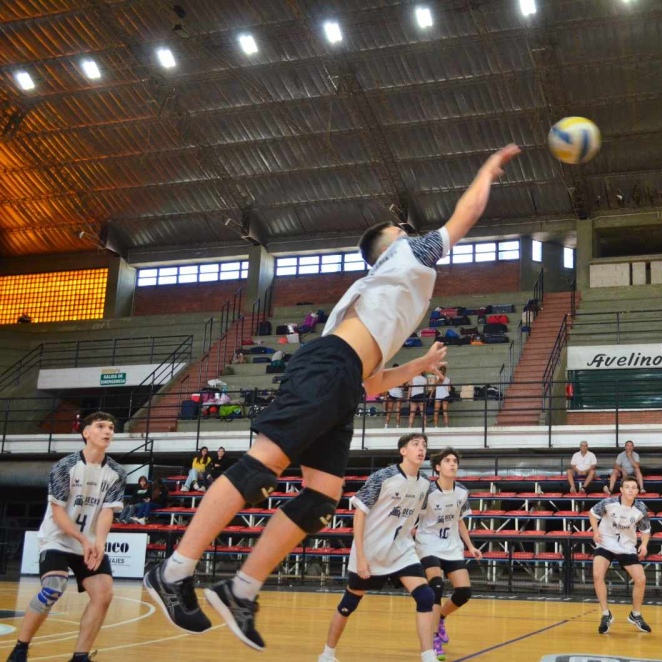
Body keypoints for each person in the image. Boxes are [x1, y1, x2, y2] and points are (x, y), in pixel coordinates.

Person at [144, 144, 521, 650]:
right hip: (328, 367)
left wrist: (419, 366)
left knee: (322, 498)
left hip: (344, 378)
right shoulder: (404, 255)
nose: (411, 234)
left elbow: (371, 383)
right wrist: (488, 170)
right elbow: (466, 213)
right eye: (402, 231)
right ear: (388, 246)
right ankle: (173, 571)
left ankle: (240, 589)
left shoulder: (384, 294)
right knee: (261, 467)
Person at [6, 412, 126, 662]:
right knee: (53, 588)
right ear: (86, 433)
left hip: (89, 542)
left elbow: (106, 512)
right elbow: (58, 513)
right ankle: (20, 648)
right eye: (101, 426)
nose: (107, 431)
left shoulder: (116, 472)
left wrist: (99, 542)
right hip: (58, 539)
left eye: (111, 427)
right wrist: (83, 540)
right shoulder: (65, 466)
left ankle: (80, 656)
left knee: (104, 594)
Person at [319, 433, 436, 662]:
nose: (421, 448)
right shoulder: (383, 477)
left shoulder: (424, 484)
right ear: (403, 451)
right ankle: (327, 653)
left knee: (426, 596)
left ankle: (428, 655)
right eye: (415, 444)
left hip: (401, 551)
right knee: (349, 604)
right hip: (372, 551)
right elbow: (360, 512)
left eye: (424, 445)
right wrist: (361, 556)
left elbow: (414, 518)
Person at [415, 447, 483, 659]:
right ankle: (434, 638)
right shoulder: (427, 491)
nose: (453, 464)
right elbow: (413, 517)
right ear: (438, 467)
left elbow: (459, 520)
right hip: (428, 544)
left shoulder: (462, 491)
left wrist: (470, 545)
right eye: (447, 461)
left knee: (464, 593)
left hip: (452, 547)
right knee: (436, 586)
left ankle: (441, 616)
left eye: (455, 461)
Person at [589, 475, 652, 635]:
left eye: (634, 487)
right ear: (622, 490)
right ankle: (605, 614)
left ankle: (635, 615)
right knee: (597, 575)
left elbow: (645, 531)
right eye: (628, 487)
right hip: (606, 543)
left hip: (626, 546)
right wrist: (595, 532)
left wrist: (644, 545)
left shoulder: (641, 509)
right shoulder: (608, 503)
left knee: (641, 579)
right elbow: (592, 513)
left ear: (637, 491)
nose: (631, 490)